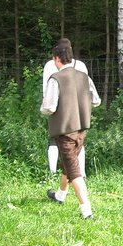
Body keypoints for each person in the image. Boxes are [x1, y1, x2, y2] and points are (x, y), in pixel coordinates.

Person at [41, 41, 101, 219]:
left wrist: (42, 110)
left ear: (57, 59)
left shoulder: (56, 78)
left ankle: (86, 209)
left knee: (74, 170)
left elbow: (49, 107)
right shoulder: (84, 76)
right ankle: (60, 195)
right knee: (69, 162)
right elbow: (96, 100)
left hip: (65, 130)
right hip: (82, 128)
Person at [42, 38, 89, 176]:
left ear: (57, 55)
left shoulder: (50, 65)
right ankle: (81, 173)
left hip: (58, 110)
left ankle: (55, 173)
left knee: (55, 141)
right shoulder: (81, 66)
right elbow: (89, 93)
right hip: (79, 111)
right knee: (78, 143)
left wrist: (45, 108)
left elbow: (46, 91)